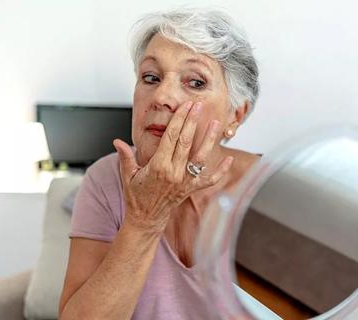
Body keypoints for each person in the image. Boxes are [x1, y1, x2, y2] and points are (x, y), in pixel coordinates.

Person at [59, 7, 260, 320]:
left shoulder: (276, 190)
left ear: (235, 115)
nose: (162, 96)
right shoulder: (105, 179)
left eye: (195, 82)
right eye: (150, 77)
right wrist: (144, 219)